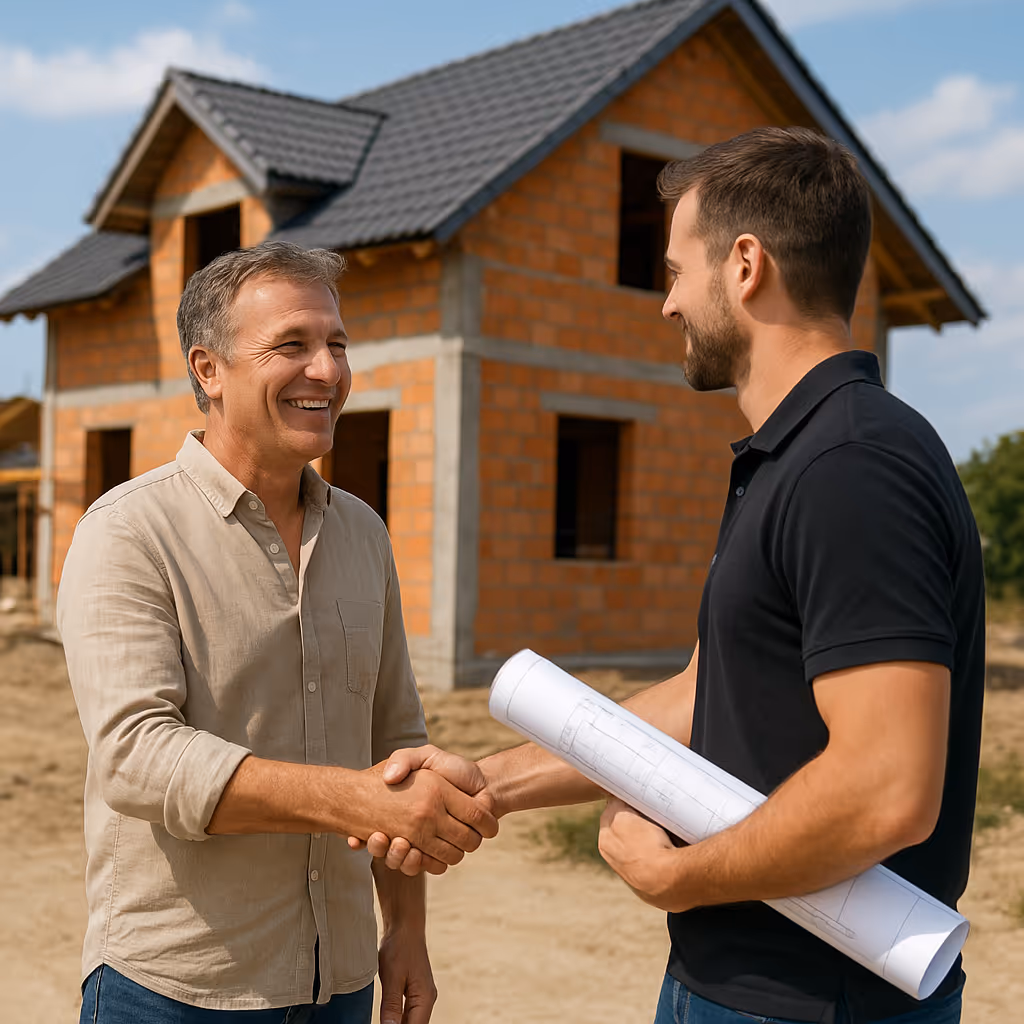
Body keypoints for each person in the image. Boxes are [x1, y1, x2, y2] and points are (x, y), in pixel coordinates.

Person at [358, 128, 985, 1024]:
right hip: (742, 989)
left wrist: (681, 876)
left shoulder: (852, 467)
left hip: (815, 1003)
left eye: (674, 271)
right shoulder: (795, 458)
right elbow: (706, 697)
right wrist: (486, 786)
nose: (666, 304)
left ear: (744, 265)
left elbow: (887, 788)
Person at [57, 241, 497, 1024]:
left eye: (336, 345)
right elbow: (137, 756)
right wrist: (353, 801)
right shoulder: (129, 531)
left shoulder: (363, 533)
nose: (326, 371)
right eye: (291, 345)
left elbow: (394, 741)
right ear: (209, 370)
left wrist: (405, 930)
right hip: (174, 990)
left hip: (341, 982)